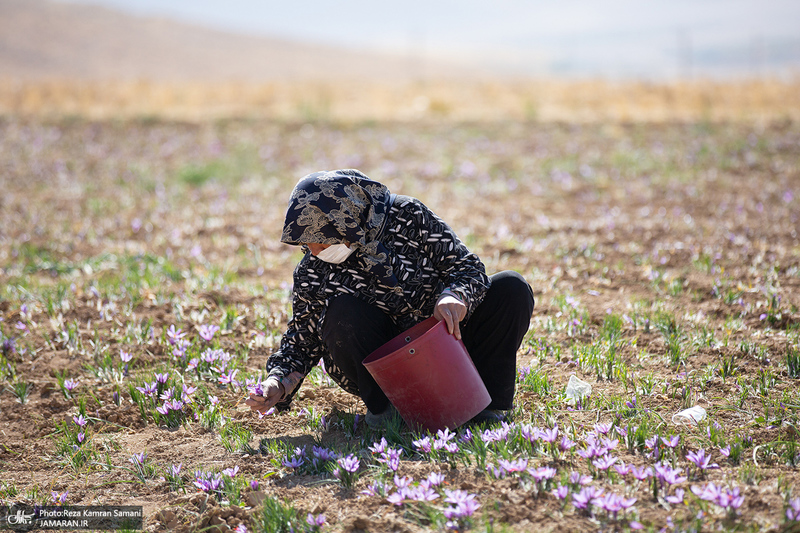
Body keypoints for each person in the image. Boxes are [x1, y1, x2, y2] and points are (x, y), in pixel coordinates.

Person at [246, 169, 535, 427]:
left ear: (347, 221)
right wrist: (278, 383)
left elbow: (466, 268)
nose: (314, 250)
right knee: (342, 313)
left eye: (322, 241)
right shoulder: (313, 270)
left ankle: (487, 405)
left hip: (452, 345)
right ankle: (387, 414)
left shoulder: (408, 216)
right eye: (306, 243)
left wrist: (454, 295)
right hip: (391, 370)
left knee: (511, 287)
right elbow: (302, 338)